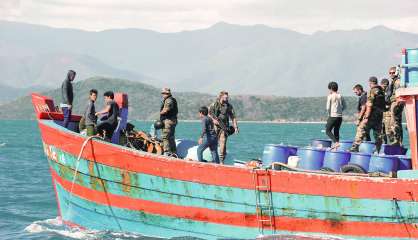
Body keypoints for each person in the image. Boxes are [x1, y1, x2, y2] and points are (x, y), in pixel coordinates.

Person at [350, 77, 385, 152]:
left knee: (361, 128)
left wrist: (366, 117)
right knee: (378, 134)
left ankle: (355, 147)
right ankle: (378, 150)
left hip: (372, 116)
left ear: (370, 83)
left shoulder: (372, 91)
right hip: (379, 117)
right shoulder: (381, 91)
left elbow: (369, 105)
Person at [209, 91, 238, 164]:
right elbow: (208, 113)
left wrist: (236, 127)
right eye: (225, 97)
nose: (227, 98)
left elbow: (233, 117)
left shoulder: (229, 106)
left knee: (223, 142)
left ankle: (221, 160)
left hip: (224, 127)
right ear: (221, 97)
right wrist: (213, 120)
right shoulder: (214, 104)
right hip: (214, 126)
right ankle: (213, 158)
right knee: (213, 142)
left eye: (227, 97)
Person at [386, 66, 404, 145]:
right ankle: (398, 142)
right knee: (397, 122)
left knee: (394, 122)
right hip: (393, 102)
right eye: (390, 73)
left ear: (396, 72)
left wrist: (396, 103)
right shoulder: (393, 81)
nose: (391, 74)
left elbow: (399, 93)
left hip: (396, 102)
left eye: (393, 72)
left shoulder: (397, 81)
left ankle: (396, 140)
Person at [325, 82, 346, 148]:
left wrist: (329, 115)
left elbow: (328, 107)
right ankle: (336, 148)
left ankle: (336, 142)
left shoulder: (330, 96)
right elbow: (345, 106)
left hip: (333, 116)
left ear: (331, 89)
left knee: (327, 131)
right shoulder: (340, 96)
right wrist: (340, 111)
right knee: (336, 131)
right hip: (340, 117)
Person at [160, 88, 178, 155]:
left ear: (166, 94)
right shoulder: (172, 99)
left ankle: (167, 152)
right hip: (172, 120)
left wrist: (161, 113)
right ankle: (174, 152)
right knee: (171, 137)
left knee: (165, 137)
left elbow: (166, 109)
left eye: (163, 93)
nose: (163, 95)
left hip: (168, 121)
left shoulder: (169, 100)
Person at [380, 78, 392, 144]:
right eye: (383, 86)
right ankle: (383, 146)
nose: (384, 87)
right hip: (381, 114)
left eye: (386, 86)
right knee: (381, 132)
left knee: (389, 132)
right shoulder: (379, 92)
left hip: (388, 114)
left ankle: (393, 146)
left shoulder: (390, 92)